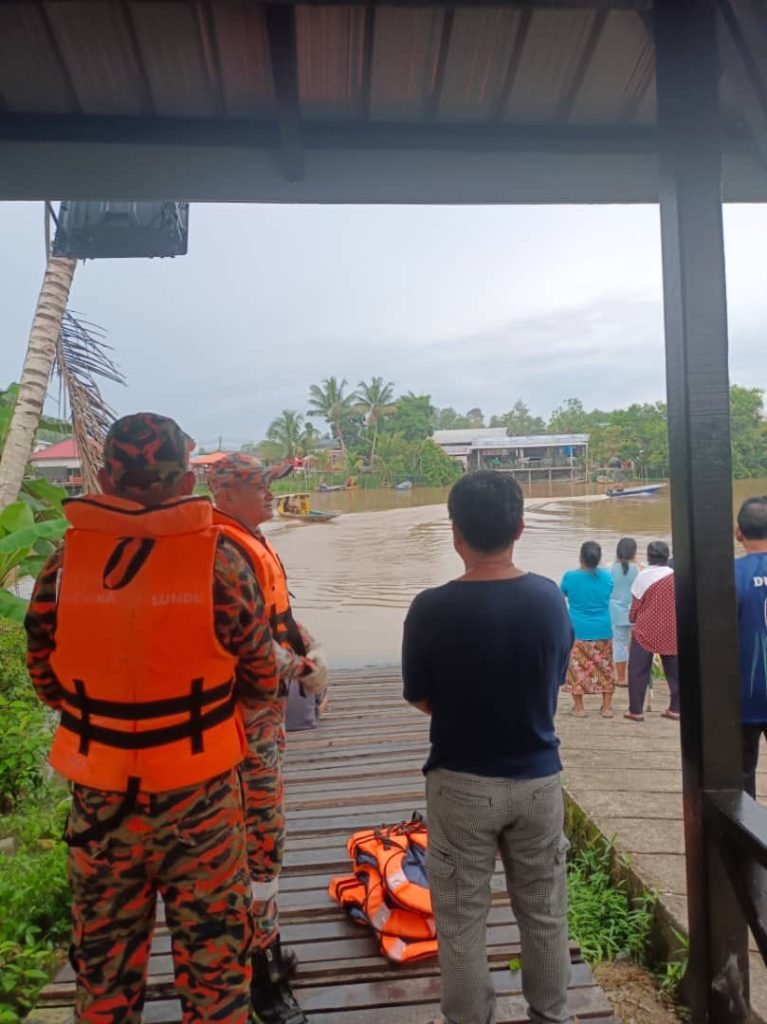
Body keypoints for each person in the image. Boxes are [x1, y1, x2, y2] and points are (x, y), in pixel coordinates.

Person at [24, 413, 280, 1023]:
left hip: (100, 800)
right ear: (186, 479)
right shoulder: (222, 562)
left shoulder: (63, 565)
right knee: (216, 974)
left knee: (104, 971)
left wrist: (111, 716)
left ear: (107, 476)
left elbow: (44, 678)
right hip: (204, 803)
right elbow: (263, 680)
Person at [403, 471, 576, 1024]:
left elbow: (421, 697)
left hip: (460, 784)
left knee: (460, 919)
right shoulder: (550, 599)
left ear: (455, 533)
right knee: (545, 913)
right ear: (520, 528)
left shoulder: (430, 608)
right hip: (538, 782)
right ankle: (551, 1015)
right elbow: (554, 679)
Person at [208, 453, 328, 1024]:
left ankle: (268, 949)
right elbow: (249, 647)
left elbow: (274, 619)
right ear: (224, 494)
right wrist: (302, 670)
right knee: (260, 836)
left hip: (263, 718)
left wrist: (307, 643)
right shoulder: (222, 551)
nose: (270, 497)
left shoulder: (248, 540)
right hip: (241, 722)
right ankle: (258, 976)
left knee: (266, 837)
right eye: (259, 489)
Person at [734, 497, 767, 798]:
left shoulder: (726, 575)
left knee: (742, 777)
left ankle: (747, 841)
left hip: (742, 695)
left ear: (738, 533)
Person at [624, 541, 679, 722]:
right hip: (672, 629)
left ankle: (636, 710)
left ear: (649, 557)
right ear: (667, 557)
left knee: (637, 670)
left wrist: (632, 619)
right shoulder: (675, 576)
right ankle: (676, 708)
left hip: (645, 630)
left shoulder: (643, 577)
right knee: (675, 670)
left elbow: (635, 606)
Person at [560, 542, 616, 718]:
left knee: (576, 668)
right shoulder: (607, 577)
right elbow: (608, 594)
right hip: (602, 628)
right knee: (605, 667)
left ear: (581, 557)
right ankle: (606, 708)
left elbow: (562, 593)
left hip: (578, 629)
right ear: (598, 559)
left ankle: (579, 708)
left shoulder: (570, 577)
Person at [609, 537, 641, 686]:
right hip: (636, 611)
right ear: (634, 552)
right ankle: (635, 676)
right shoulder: (640, 568)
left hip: (616, 612)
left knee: (619, 644)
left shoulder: (609, 567)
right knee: (637, 645)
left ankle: (621, 678)